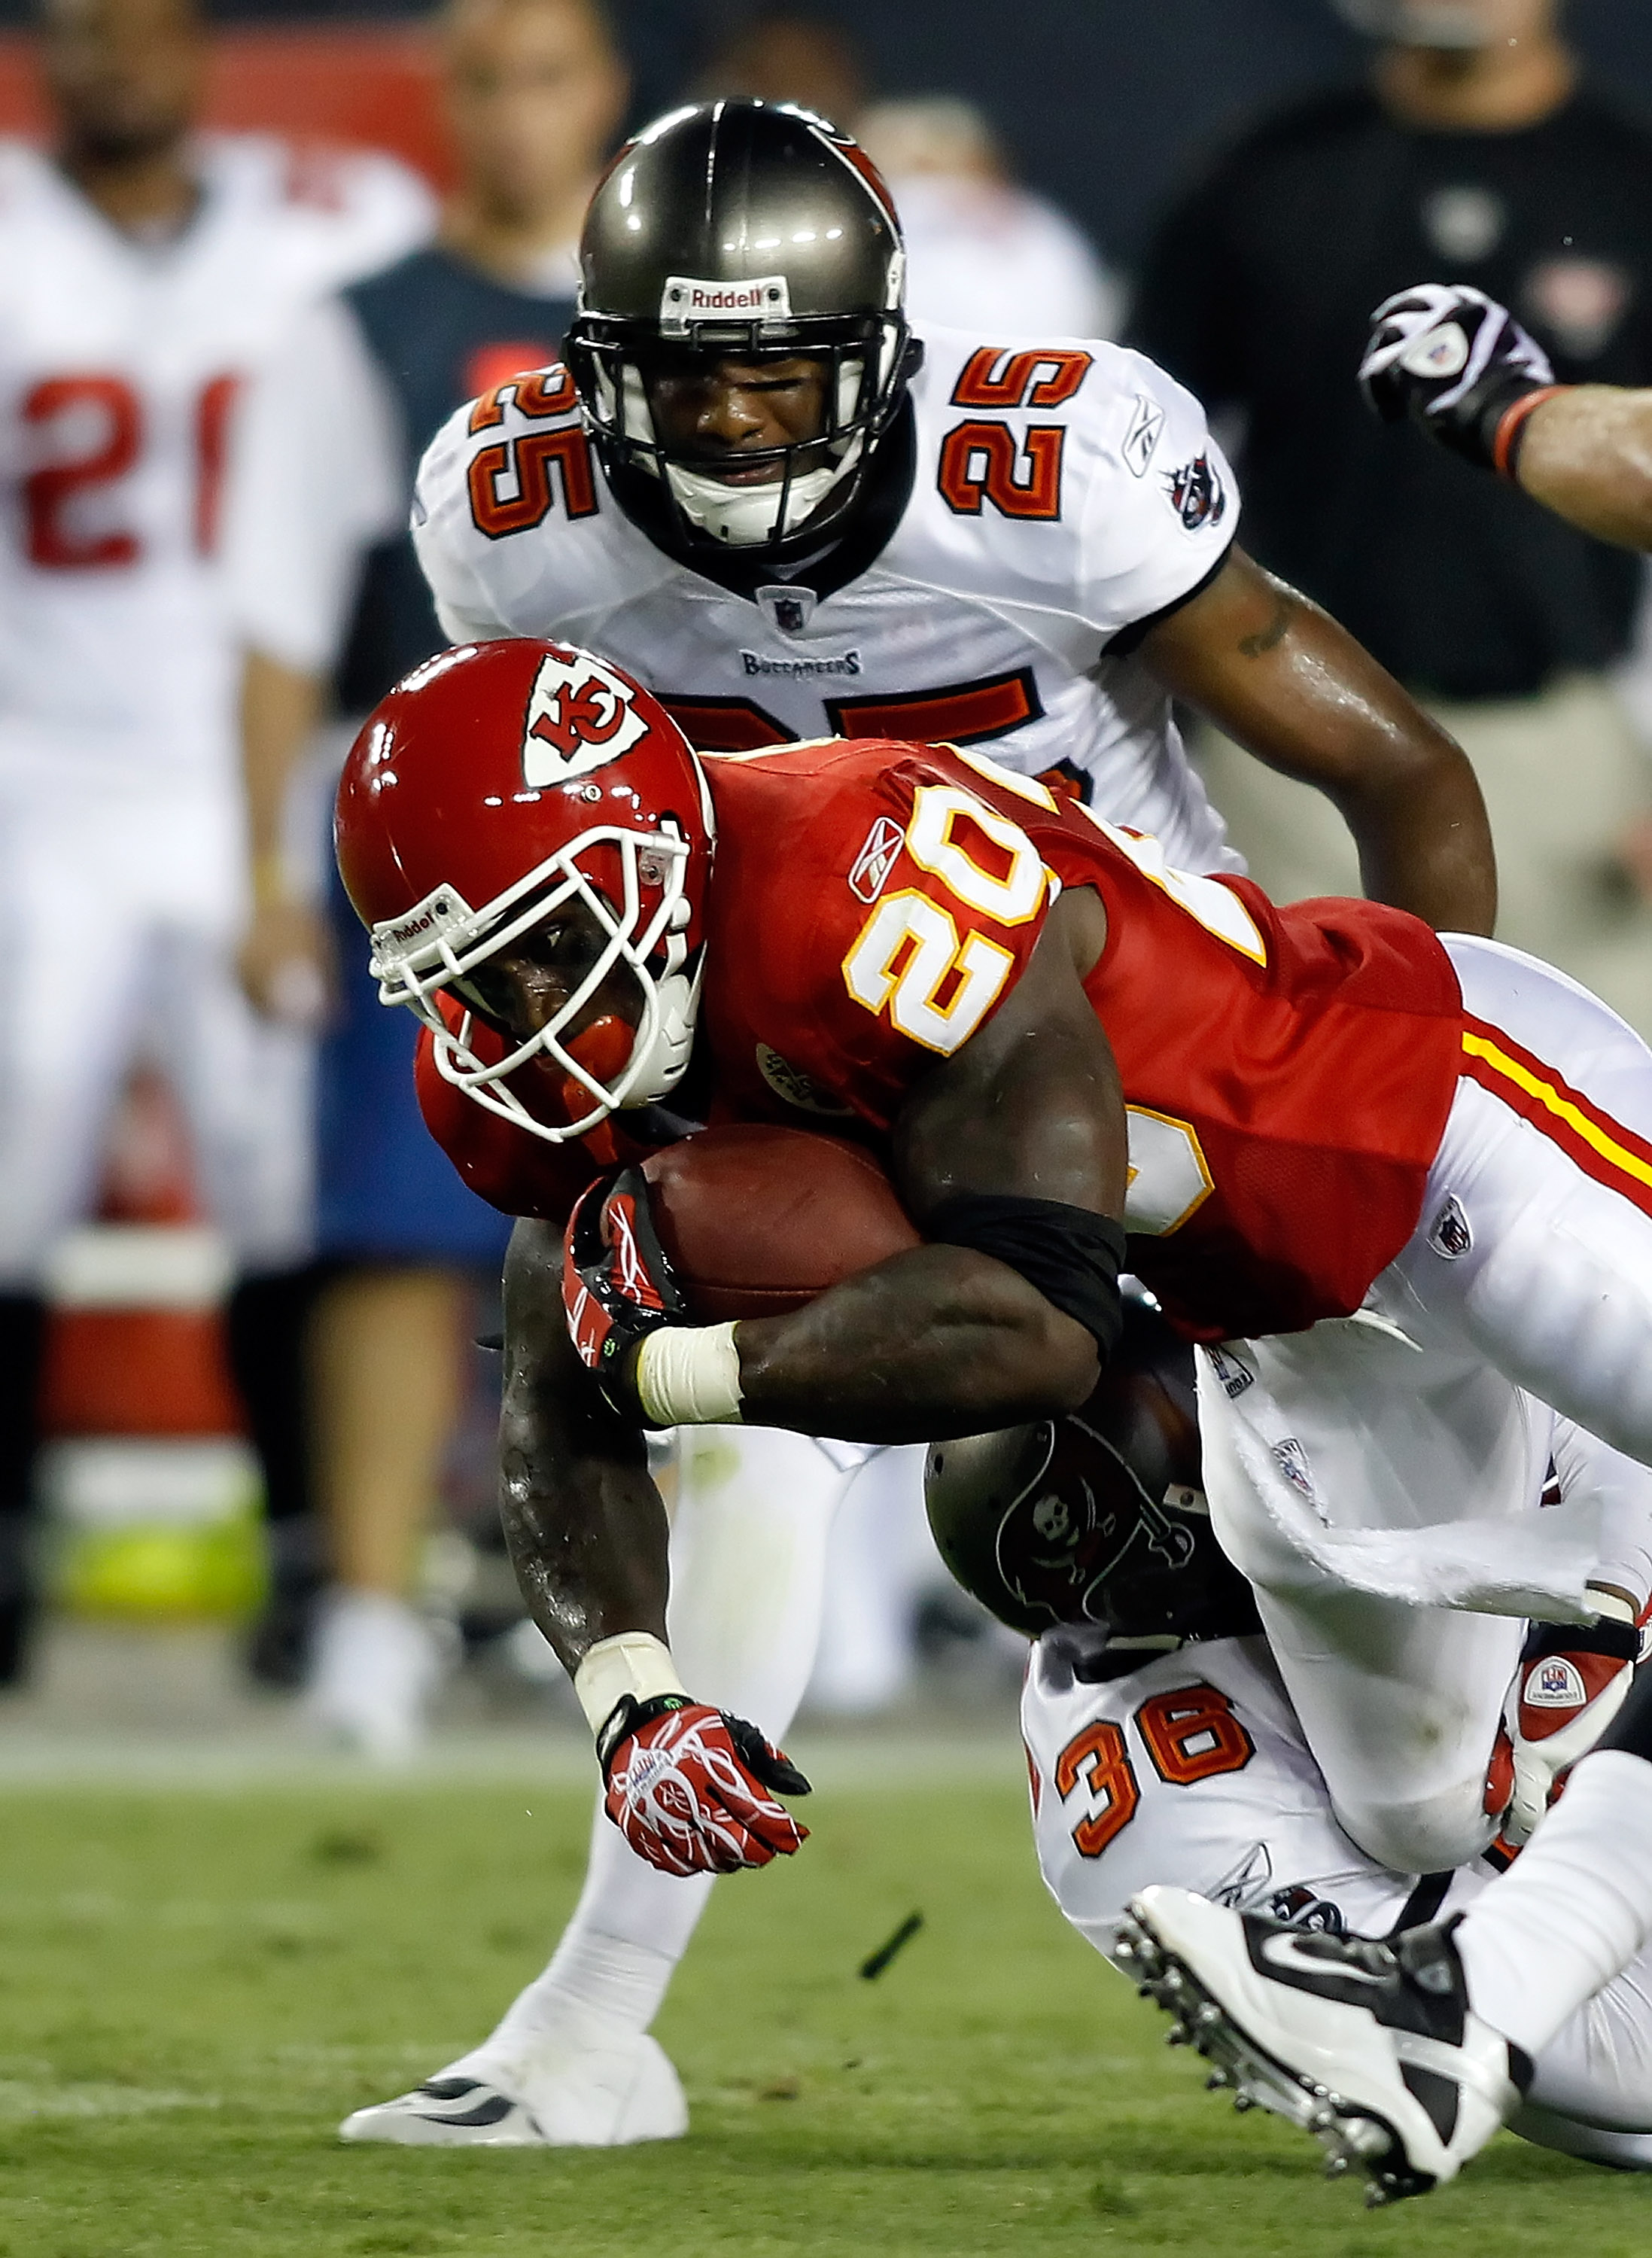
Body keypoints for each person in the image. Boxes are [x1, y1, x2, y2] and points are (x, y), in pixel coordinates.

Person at [297, 96, 1494, 2146]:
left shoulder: (1051, 474)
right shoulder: (512, 521)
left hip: (1135, 1065)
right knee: (722, 1406)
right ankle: (594, 2021)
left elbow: (1398, 775)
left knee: (1401, 1643)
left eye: (781, 372)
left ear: (885, 355)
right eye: (687, 381)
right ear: (597, 376)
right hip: (799, 1054)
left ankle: (1489, 1913)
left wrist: (1434, 1096)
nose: (741, 429)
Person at [0, 0, 432, 1685]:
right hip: (43, 773)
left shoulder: (330, 225)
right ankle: (14, 1573)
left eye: (149, 27)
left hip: (268, 765)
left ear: (197, 52)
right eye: (85, 30)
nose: (121, 61)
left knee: (283, 1177)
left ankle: (313, 1566)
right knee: (16, 1166)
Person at [227, 0, 628, 1760]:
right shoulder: (364, 328)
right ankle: (375, 1612)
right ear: (441, 101)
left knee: (701, 1230)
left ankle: (671, 1612)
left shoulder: (688, 313)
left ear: (604, 94)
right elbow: (278, 621)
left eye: (550, 75)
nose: (521, 114)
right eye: (486, 78)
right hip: (442, 841)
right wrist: (260, 857)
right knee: (397, 1233)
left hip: (673, 830)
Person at [922, 1335, 1652, 2175]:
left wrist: (1602, 1603)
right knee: (1428, 1817)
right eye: (1216, 1437)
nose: (1270, 1442)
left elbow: (1600, 1381)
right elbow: (1558, 2034)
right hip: (1586, 1979)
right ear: (1170, 1549)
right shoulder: (1166, 1807)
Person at [1130, 0, 1652, 1033]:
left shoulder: (1630, 176)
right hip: (1294, 735)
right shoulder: (1263, 169)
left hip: (1565, 746)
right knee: (1289, 1125)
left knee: (1604, 1139)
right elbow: (1128, 455)